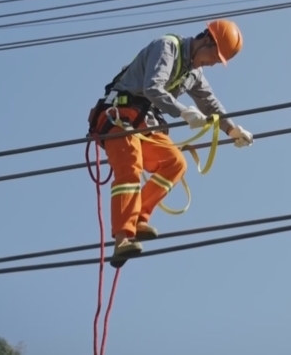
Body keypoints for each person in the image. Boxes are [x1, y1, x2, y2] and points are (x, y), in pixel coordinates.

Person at [87, 19, 254, 264]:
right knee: (130, 164)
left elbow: (210, 104)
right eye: (213, 56)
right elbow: (153, 87)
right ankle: (122, 238)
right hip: (119, 115)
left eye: (218, 61)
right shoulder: (168, 47)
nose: (212, 63)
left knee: (175, 163)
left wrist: (232, 130)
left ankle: (138, 217)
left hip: (144, 121)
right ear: (205, 40)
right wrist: (183, 111)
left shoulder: (194, 74)